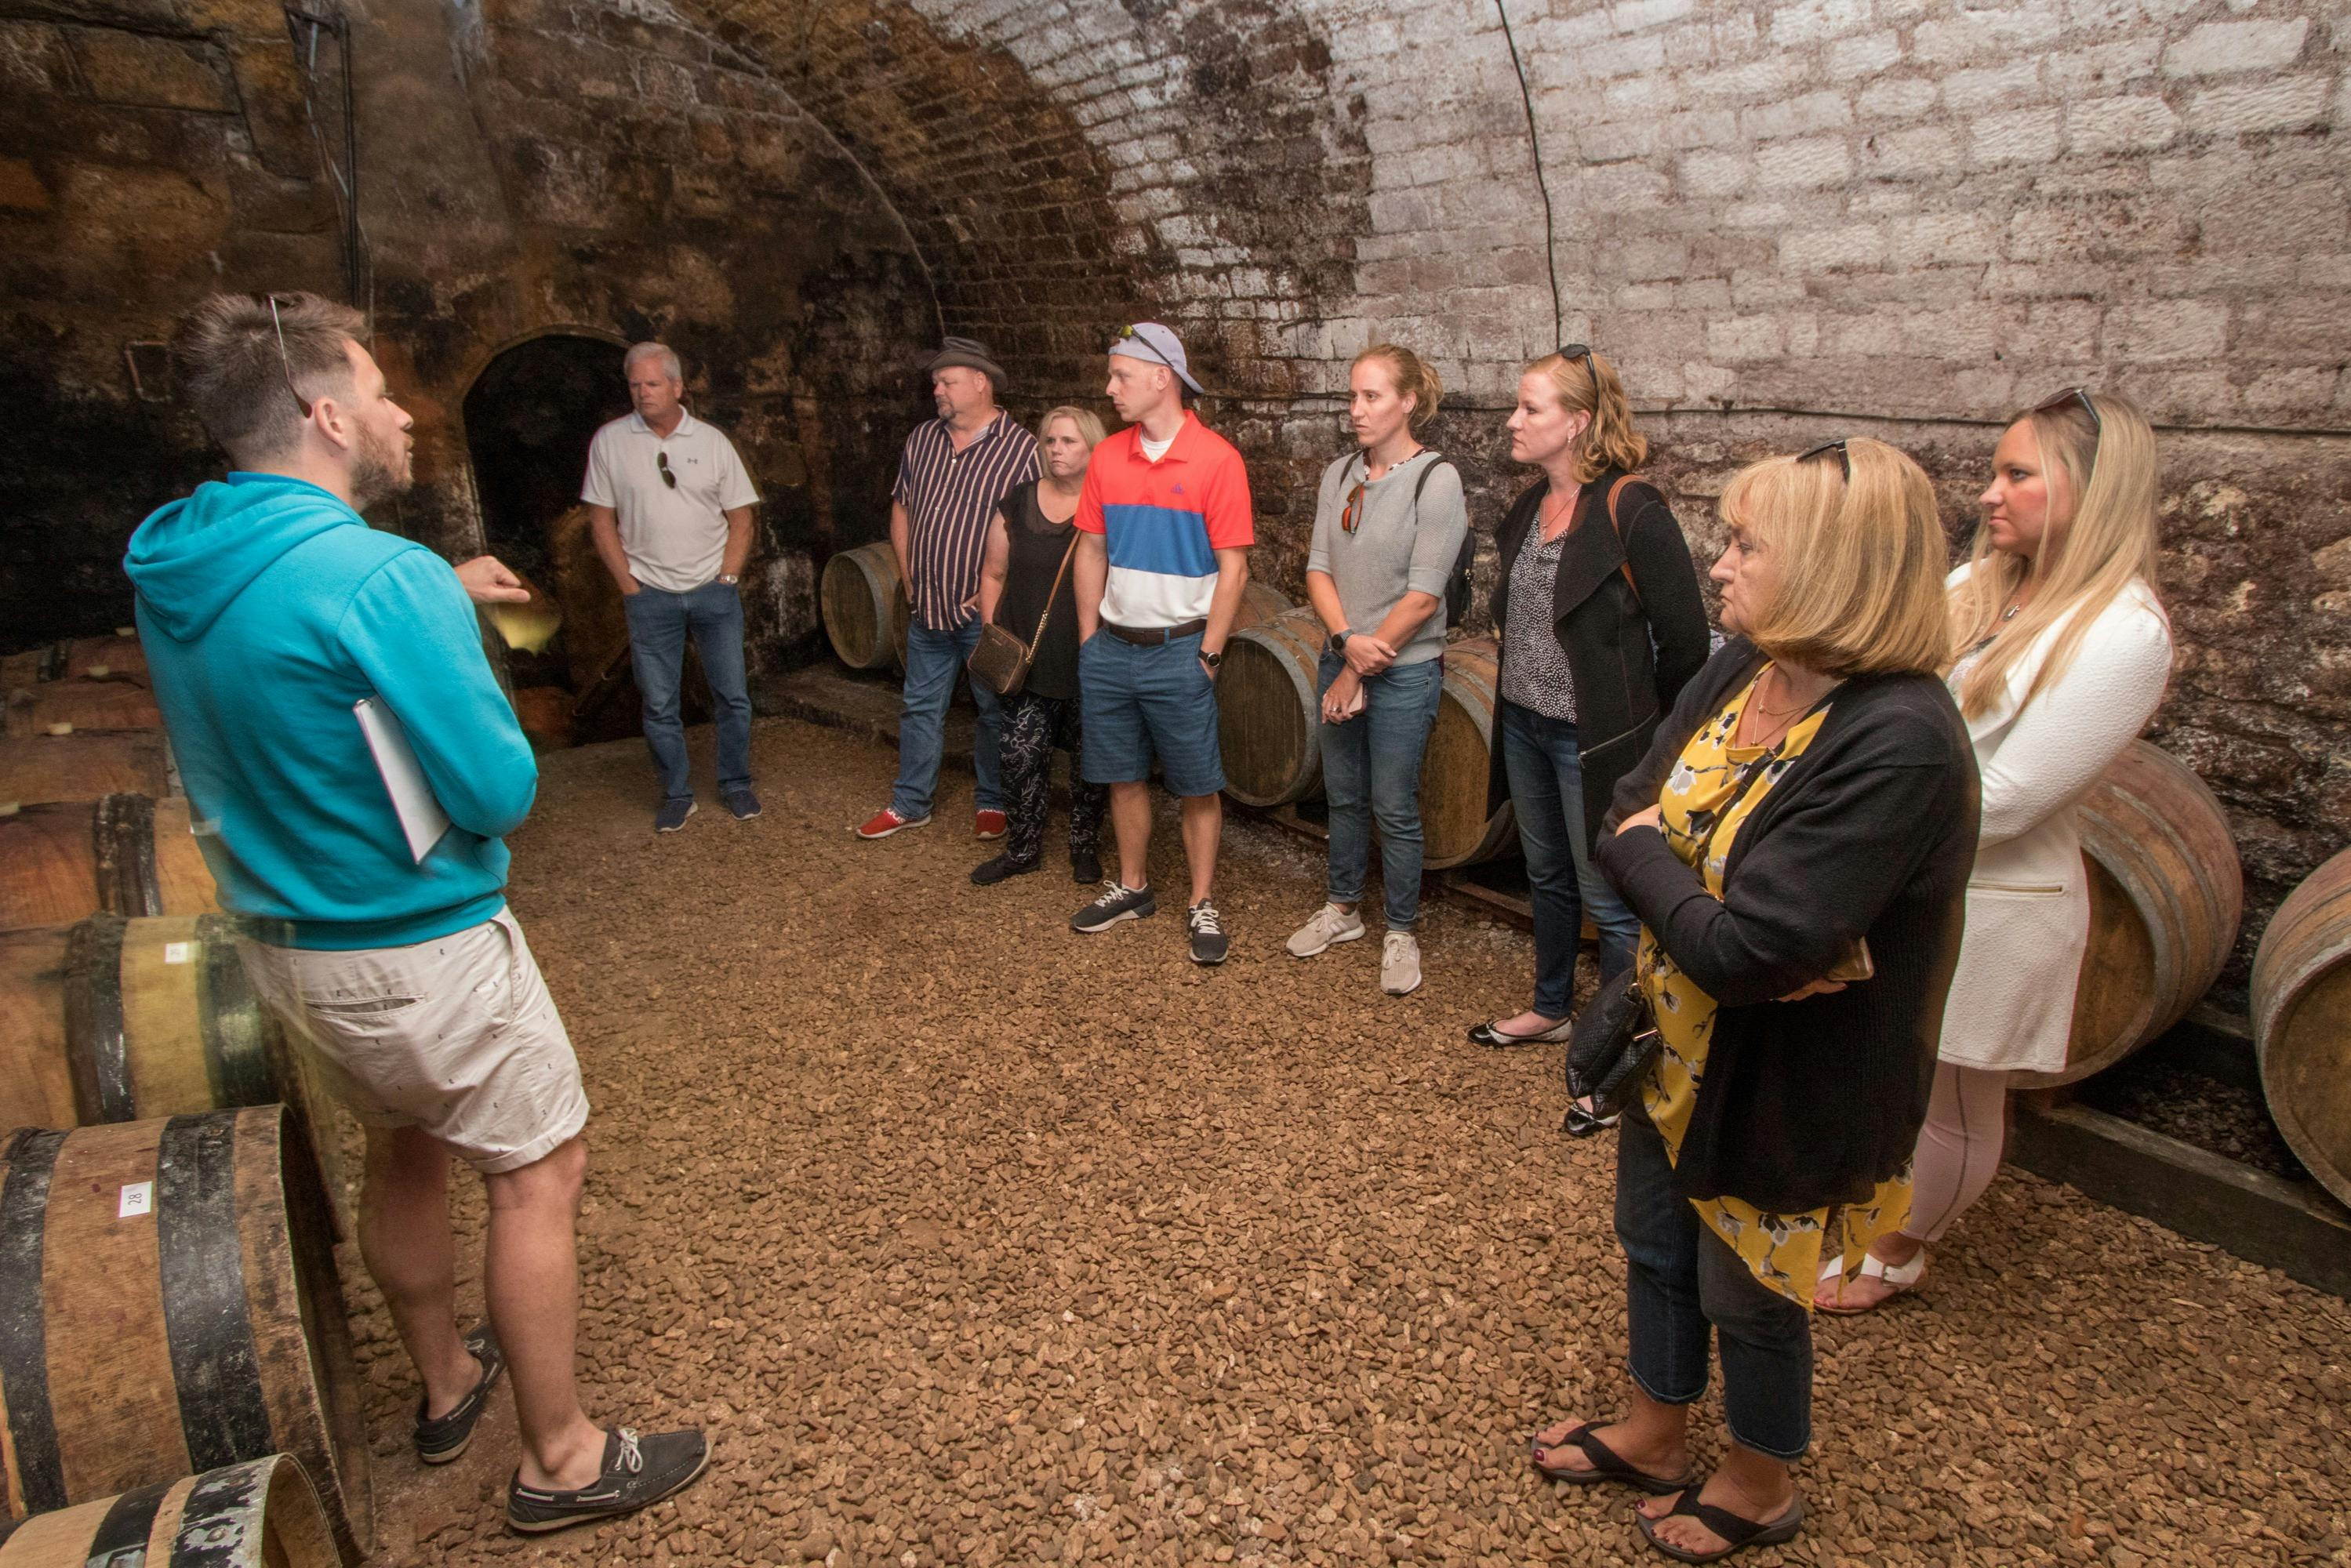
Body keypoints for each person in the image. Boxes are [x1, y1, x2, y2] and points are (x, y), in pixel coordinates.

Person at [126, 291, 707, 1536]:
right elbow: (499, 789)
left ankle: (448, 1382)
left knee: (407, 1140)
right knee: (539, 1169)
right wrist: (439, 606)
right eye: (380, 392)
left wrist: (417, 589)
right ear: (324, 414)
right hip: (415, 942)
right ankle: (560, 1456)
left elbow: (289, 640)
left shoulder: (180, 554)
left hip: (287, 944)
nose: (400, 413)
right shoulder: (379, 578)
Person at [1526, 437, 1976, 1563]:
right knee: (1652, 1239)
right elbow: (1624, 805)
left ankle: (1762, 1475)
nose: (1716, 567)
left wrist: (1660, 872)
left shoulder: (1901, 740)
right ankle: (1656, 1429)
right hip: (1669, 1039)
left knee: (1749, 1286)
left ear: (1834, 567)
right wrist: (1681, 888)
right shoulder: (1745, 666)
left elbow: (1749, 948)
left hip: (1788, 1072)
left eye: (1742, 545)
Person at [1815, 390, 2172, 1313]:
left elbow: (2010, 797)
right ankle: (1865, 1204)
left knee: (1957, 1095)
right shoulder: (1973, 588)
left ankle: (1899, 1249)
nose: (1988, 494)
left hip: (1998, 897)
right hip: (1909, 876)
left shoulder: (2123, 631)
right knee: (1890, 1065)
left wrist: (1853, 818)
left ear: (2089, 489)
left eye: (2017, 474)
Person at [1465, 350, 1711, 1102]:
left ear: (1577, 421)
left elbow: (1689, 641)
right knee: (1545, 877)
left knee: (1609, 897)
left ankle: (1616, 1053)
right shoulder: (1528, 506)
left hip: (1596, 740)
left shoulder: (1633, 510)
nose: (1513, 420)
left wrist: (1650, 735)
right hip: (1528, 725)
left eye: (1531, 409)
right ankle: (1549, 1008)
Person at [1066, 322, 1255, 965]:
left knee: (1197, 784)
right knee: (1121, 775)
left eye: (1121, 375)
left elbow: (1234, 568)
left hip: (1181, 650)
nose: (1110, 387)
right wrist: (1091, 637)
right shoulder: (1108, 457)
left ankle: (1202, 901)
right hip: (1113, 647)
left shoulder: (1217, 460)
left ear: (1160, 378)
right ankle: (1135, 887)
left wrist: (1208, 654)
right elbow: (1091, 548)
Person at [1285, 343, 1467, 997]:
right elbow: (1317, 567)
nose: (1355, 410)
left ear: (1408, 402)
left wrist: (1359, 666)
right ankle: (1342, 910)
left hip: (1405, 668)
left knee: (1394, 805)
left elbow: (1422, 596)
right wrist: (1343, 641)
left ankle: (1399, 928)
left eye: (1371, 397)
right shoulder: (1340, 472)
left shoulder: (1434, 478)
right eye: (1353, 396)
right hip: (1345, 653)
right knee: (1344, 796)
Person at [854, 336, 1040, 842]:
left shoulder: (1023, 449)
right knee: (919, 707)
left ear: (980, 383)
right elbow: (902, 507)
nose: (936, 389)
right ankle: (911, 803)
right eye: (936, 381)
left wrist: (997, 593)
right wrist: (910, 576)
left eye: (946, 381)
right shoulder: (922, 439)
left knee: (992, 710)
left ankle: (992, 801)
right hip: (928, 606)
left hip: (985, 615)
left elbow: (1037, 528)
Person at [582, 342, 761, 833]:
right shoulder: (610, 442)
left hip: (711, 589)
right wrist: (629, 585)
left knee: (732, 695)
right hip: (651, 595)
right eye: (635, 385)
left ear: (678, 387)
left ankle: (736, 784)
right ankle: (678, 794)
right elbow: (601, 522)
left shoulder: (712, 442)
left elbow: (741, 519)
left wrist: (727, 579)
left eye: (653, 384)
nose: (643, 394)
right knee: (659, 703)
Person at [971, 405, 1110, 887]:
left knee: (1090, 762)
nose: (1057, 450)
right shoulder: (1019, 500)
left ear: (1093, 448)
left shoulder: (1107, 505)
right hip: (1025, 661)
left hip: (1086, 658)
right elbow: (993, 573)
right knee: (1019, 756)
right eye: (1051, 440)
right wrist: (994, 633)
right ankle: (1023, 848)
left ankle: (1083, 845)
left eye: (1069, 441)